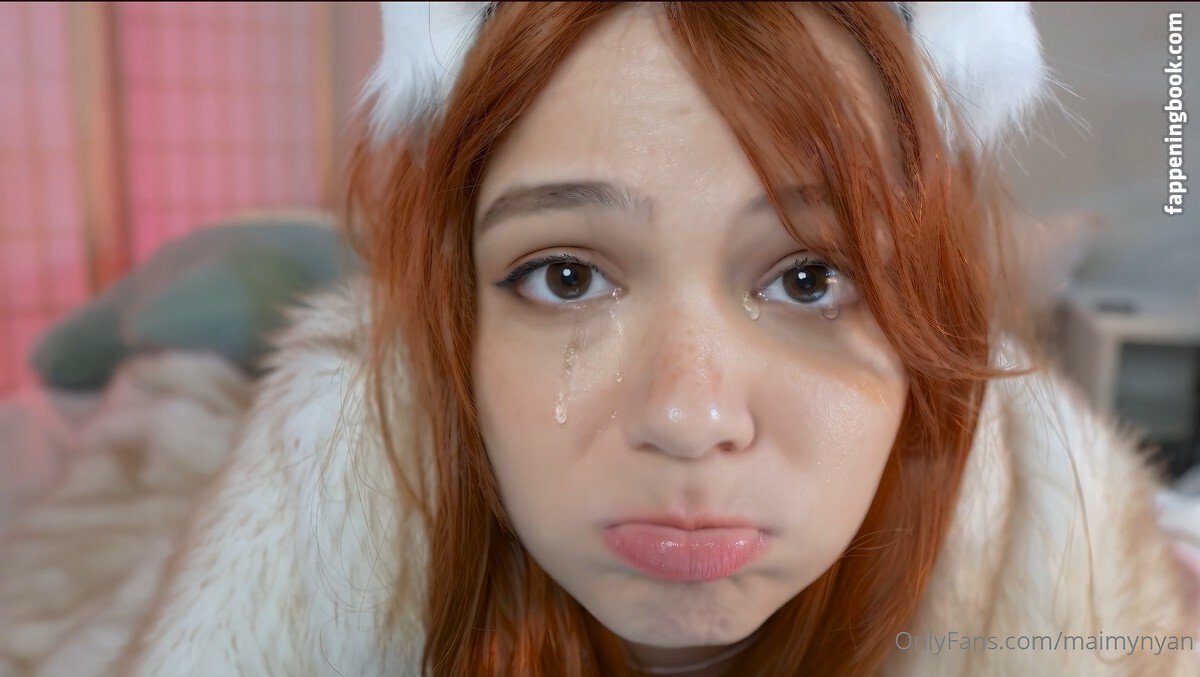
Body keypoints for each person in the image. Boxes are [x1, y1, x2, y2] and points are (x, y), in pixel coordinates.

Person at [117, 2, 1200, 675]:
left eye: (810, 277)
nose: (688, 415)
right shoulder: (316, 538)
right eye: (567, 276)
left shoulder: (1059, 580)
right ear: (459, 323)